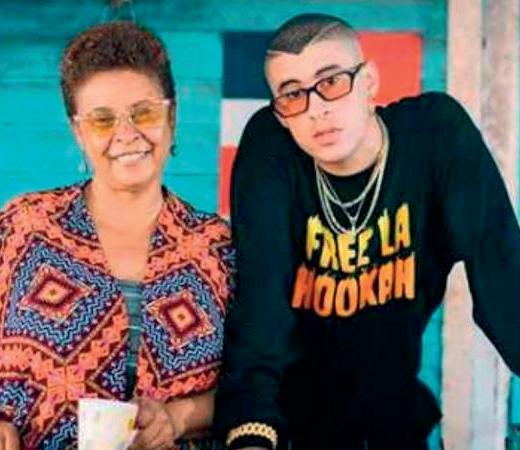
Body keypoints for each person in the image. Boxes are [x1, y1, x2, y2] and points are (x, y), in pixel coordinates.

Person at [214, 13, 520, 450]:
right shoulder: (271, 152)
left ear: (369, 82)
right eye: (293, 94)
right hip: (294, 427)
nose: (317, 109)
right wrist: (251, 430)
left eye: (332, 82)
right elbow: (262, 307)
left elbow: (503, 277)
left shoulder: (435, 136)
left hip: (395, 419)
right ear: (280, 114)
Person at [0, 21, 233, 450]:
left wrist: (177, 418)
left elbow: (253, 385)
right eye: (102, 120)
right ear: (78, 132)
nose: (127, 134)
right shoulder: (23, 227)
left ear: (172, 116)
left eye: (144, 112)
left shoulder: (217, 248)